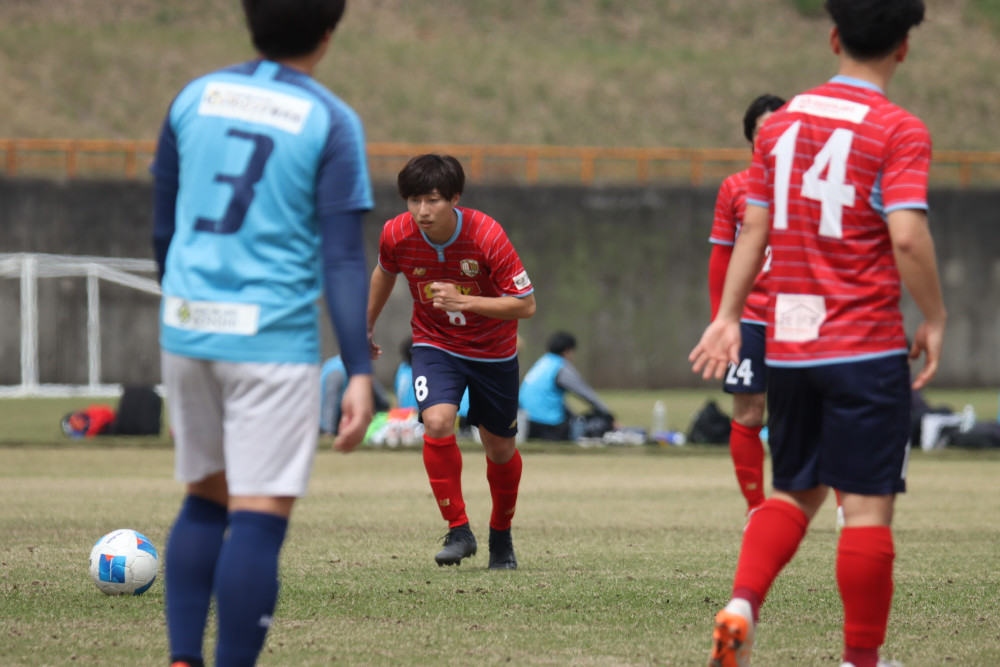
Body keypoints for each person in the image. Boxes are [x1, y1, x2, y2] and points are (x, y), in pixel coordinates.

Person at [688, 1, 947, 666]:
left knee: (794, 492)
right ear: (903, 48)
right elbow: (908, 236)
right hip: (866, 347)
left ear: (834, 38)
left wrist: (726, 315)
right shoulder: (899, 129)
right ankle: (861, 659)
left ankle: (741, 605)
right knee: (865, 509)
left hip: (790, 346)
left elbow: (754, 229)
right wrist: (936, 317)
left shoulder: (780, 127)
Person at [150, 1, 375, 664]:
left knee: (203, 500)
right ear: (328, 34)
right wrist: (359, 369)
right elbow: (342, 258)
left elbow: (163, 229)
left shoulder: (194, 97)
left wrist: (183, 314)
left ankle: (182, 657)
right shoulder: (330, 120)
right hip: (270, 340)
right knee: (256, 516)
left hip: (187, 328)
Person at [367, 153, 536, 570]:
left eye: (433, 200)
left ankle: (501, 536)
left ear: (455, 198)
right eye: (414, 200)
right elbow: (385, 271)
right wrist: (364, 326)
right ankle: (459, 530)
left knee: (500, 449)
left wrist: (466, 301)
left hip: (493, 352)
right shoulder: (396, 233)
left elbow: (525, 304)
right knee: (438, 422)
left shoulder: (487, 234)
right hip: (435, 344)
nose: (422, 211)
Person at [708, 93, 785, 514]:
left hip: (799, 318)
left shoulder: (809, 186)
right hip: (750, 319)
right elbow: (721, 259)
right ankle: (756, 508)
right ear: (751, 138)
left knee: (803, 412)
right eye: (762, 131)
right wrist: (722, 321)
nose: (770, 137)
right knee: (749, 411)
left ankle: (820, 502)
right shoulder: (735, 188)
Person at [519, 331, 616, 441]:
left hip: (527, 424)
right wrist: (609, 416)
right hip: (549, 426)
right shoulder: (560, 366)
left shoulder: (542, 362)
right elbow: (585, 393)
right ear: (567, 351)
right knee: (598, 422)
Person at [320, 355, 390, 435]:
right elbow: (329, 403)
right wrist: (328, 431)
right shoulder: (339, 372)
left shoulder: (334, 364)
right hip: (327, 422)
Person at [394, 338, 419, 410]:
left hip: (403, 413)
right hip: (417, 413)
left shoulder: (401, 368)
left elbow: (396, 398)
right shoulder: (422, 370)